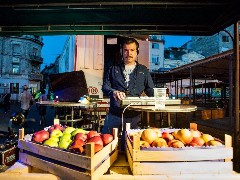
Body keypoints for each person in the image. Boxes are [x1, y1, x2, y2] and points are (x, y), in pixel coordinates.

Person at [101, 37, 154, 149]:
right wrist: (113, 91)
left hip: (134, 116)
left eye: (132, 50)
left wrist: (161, 96)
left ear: (137, 52)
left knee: (131, 147)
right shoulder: (113, 69)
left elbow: (150, 90)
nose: (128, 53)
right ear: (122, 52)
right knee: (107, 145)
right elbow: (105, 87)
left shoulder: (143, 70)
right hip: (114, 115)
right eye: (126, 50)